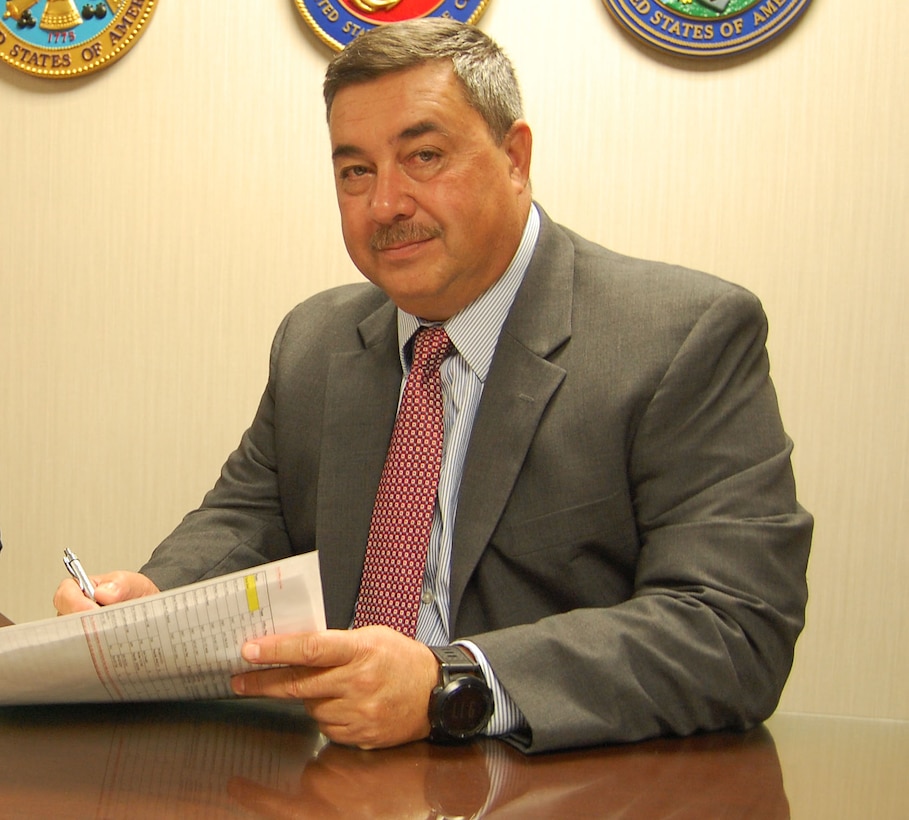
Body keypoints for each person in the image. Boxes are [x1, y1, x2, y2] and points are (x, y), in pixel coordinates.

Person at [55, 18, 812, 754]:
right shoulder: (315, 341)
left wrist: (449, 683)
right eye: (355, 171)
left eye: (422, 157)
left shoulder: (682, 335)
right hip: (338, 780)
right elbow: (248, 517)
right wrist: (150, 603)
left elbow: (733, 629)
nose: (385, 205)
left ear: (514, 157)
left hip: (562, 784)